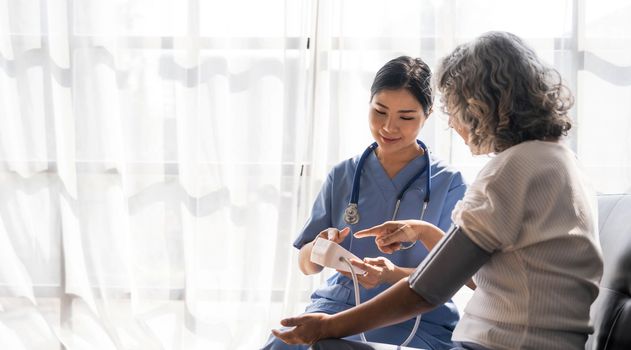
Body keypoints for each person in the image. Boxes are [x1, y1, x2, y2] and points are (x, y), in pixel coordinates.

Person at [272, 31, 604, 350]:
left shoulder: (512, 170)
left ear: (479, 106)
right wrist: (425, 231)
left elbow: (428, 288)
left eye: (454, 109)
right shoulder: (556, 159)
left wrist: (328, 326)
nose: (453, 124)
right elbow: (476, 266)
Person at [262, 56, 467, 349]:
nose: (389, 127)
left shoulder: (449, 183)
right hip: (339, 307)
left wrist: (390, 275)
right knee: (282, 345)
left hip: (415, 316)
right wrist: (320, 248)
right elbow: (307, 265)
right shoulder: (344, 174)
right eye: (379, 111)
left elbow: (454, 273)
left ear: (428, 114)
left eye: (406, 117)